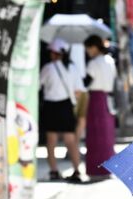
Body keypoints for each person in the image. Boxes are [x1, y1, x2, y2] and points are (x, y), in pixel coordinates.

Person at [40, 38, 84, 182]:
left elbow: (38, 85)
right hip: (66, 106)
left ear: (54, 53)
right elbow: (79, 91)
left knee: (51, 140)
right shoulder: (73, 68)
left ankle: (54, 171)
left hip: (51, 106)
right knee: (70, 140)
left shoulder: (48, 68)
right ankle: (77, 170)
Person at [83, 35, 117, 177]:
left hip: (96, 99)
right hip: (108, 98)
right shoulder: (110, 60)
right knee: (107, 135)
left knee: (95, 134)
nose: (87, 52)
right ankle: (107, 167)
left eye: (88, 48)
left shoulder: (93, 63)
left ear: (95, 47)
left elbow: (86, 83)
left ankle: (96, 168)